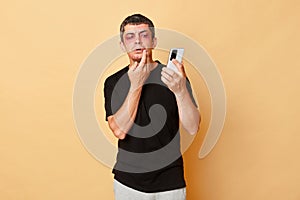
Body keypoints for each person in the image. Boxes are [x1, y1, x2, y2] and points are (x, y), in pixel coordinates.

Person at [104, 13, 200, 200]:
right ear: (122, 45)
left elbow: (193, 126)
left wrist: (180, 90)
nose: (138, 41)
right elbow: (119, 130)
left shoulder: (173, 77)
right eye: (130, 37)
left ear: (154, 41)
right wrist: (137, 84)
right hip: (129, 183)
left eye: (144, 35)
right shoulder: (113, 82)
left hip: (170, 182)